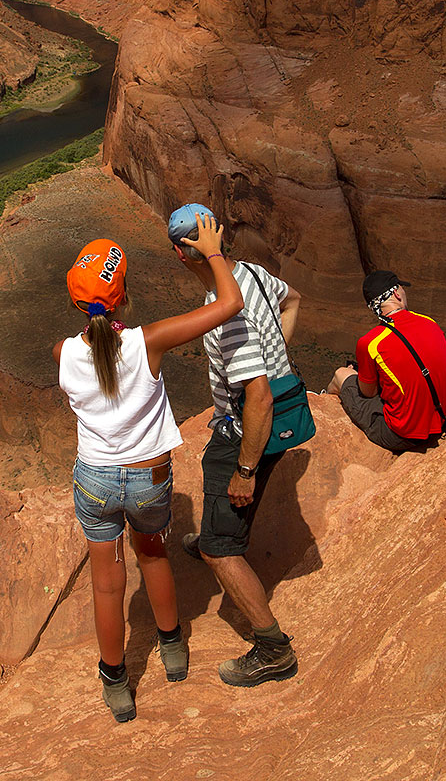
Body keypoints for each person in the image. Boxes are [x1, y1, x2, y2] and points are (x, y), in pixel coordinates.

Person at [54, 213, 242, 722]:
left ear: (75, 300)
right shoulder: (148, 342)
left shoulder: (63, 352)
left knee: (106, 584)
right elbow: (230, 303)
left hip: (94, 480)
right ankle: (173, 649)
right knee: (154, 558)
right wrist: (213, 251)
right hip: (148, 477)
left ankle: (116, 683)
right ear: (123, 296)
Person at [169, 202, 304, 688]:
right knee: (216, 511)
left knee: (221, 548)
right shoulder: (252, 271)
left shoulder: (226, 316)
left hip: (246, 430)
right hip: (264, 417)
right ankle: (211, 531)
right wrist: (279, 355)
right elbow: (294, 300)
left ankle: (273, 648)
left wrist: (245, 470)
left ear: (183, 255)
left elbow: (258, 395)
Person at [326, 270, 446, 452]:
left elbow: (368, 393)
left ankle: (325, 401)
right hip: (443, 417)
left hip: (403, 435)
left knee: (342, 374)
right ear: (396, 293)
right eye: (402, 289)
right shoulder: (430, 322)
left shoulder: (371, 342)